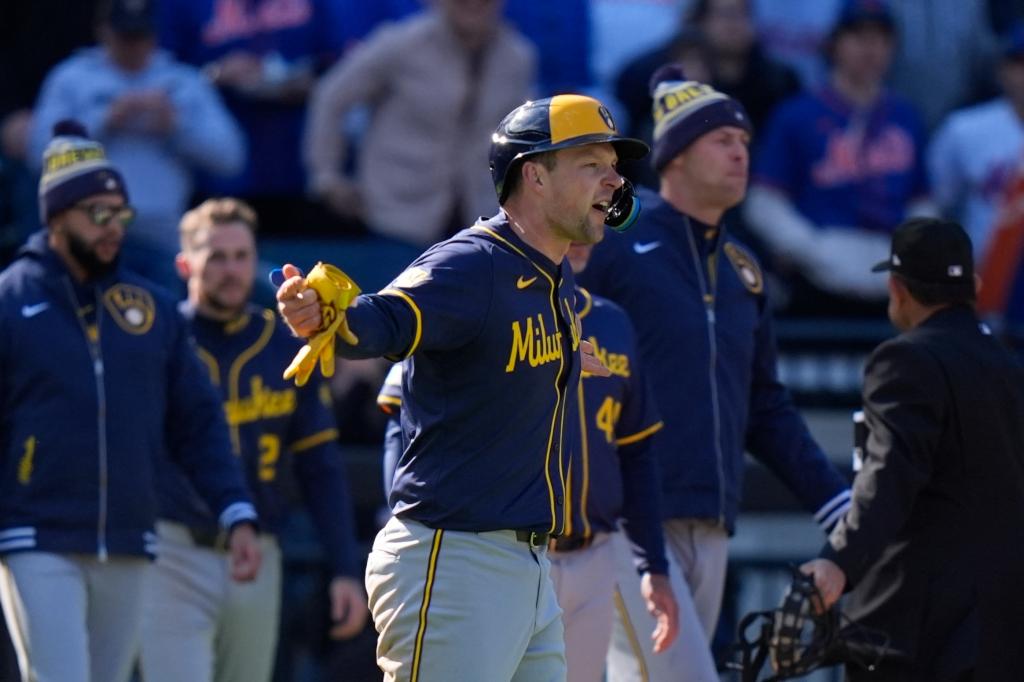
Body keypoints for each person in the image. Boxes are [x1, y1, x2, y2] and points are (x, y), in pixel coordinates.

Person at [276, 93, 648, 681]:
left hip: (525, 569)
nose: (614, 180)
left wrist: (568, 360)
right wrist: (327, 318)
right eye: (592, 164)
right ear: (535, 176)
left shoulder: (548, 278)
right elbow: (382, 320)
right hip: (453, 560)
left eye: (613, 166)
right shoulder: (471, 264)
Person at [577, 67, 852, 682]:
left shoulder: (743, 268)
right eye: (722, 140)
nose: (739, 153)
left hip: (713, 520)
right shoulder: (613, 239)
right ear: (674, 155)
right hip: (623, 517)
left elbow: (766, 406)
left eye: (746, 143)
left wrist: (832, 500)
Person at [0, 121, 260, 682]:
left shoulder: (153, 310)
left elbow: (197, 421)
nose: (112, 227)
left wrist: (235, 510)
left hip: (130, 535)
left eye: (121, 215)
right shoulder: (8, 300)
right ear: (56, 215)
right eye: (97, 213)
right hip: (35, 533)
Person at [375, 241, 679, 682]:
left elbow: (637, 452)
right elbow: (396, 420)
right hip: (489, 546)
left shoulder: (612, 323)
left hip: (589, 552)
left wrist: (653, 563)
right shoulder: (483, 295)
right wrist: (401, 511)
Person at [139, 198, 368, 682]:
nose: (230, 269)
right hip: (174, 548)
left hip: (260, 551)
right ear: (185, 264)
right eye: (216, 257)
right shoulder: (160, 343)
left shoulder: (284, 346)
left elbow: (320, 466)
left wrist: (346, 568)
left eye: (241, 256)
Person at [801, 217, 1024, 680]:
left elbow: (889, 475)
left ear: (897, 287)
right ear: (974, 285)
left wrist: (838, 561)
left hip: (918, 633)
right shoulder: (1010, 366)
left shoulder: (905, 359)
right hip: (1004, 629)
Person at [28, 0, 245, 289]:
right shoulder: (71, 79)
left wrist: (176, 126)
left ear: (154, 35)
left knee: (163, 321)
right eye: (124, 36)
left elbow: (231, 157)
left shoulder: (183, 81)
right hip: (85, 232)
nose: (132, 46)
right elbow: (38, 153)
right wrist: (104, 119)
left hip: (161, 236)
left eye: (139, 36)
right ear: (103, 32)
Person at [743, 0, 932, 313]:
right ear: (834, 44)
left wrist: (909, 249)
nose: (870, 48)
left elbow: (923, 199)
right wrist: (811, 247)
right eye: (858, 36)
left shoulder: (905, 116)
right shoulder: (797, 114)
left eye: (880, 38)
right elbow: (764, 203)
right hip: (817, 279)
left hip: (892, 283)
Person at [304, 0, 536, 247]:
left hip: (480, 222)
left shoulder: (517, 56)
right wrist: (327, 177)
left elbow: (516, 136)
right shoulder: (400, 44)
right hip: (398, 219)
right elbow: (331, 96)